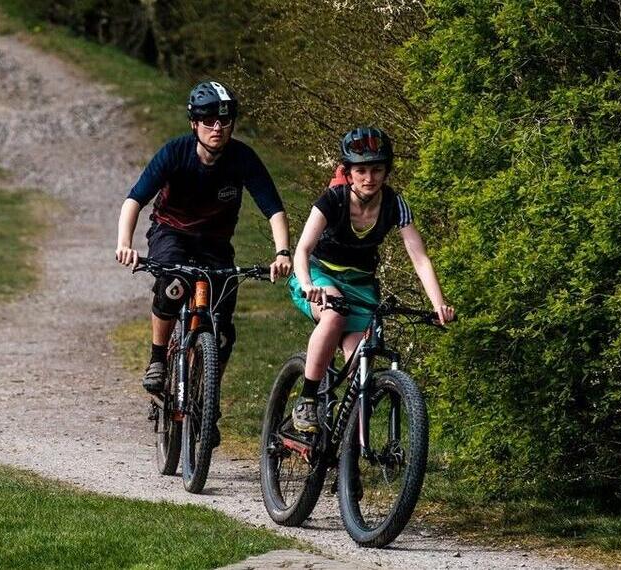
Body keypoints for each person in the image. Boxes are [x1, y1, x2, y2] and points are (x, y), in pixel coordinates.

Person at [115, 80, 292, 398]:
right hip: (171, 233)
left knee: (222, 333)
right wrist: (124, 243)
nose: (217, 128)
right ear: (194, 123)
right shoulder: (175, 153)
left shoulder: (242, 158)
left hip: (215, 245)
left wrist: (282, 252)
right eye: (209, 121)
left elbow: (274, 210)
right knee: (174, 285)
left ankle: (207, 399)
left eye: (225, 121)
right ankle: (157, 359)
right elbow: (135, 200)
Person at [288, 126, 455, 433]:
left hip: (361, 286)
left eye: (377, 169)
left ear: (386, 171)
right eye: (361, 170)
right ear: (348, 172)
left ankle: (349, 447)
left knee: (359, 366)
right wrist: (309, 284)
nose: (369, 178)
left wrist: (439, 304)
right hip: (318, 274)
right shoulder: (331, 200)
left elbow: (419, 257)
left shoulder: (395, 205)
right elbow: (303, 249)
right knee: (334, 316)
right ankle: (307, 400)